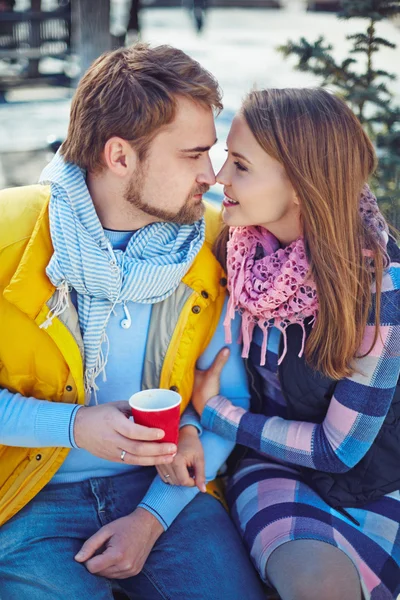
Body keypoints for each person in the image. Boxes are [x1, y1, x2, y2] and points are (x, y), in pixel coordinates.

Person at [0, 43, 265, 600]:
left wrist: (152, 518)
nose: (212, 175)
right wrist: (74, 426)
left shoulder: (215, 244)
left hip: (165, 493)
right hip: (26, 497)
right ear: (120, 156)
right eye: (193, 155)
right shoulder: (9, 239)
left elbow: (228, 398)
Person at [185, 88, 400, 600]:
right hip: (274, 467)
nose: (219, 179)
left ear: (301, 184)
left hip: (373, 480)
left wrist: (215, 413)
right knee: (319, 586)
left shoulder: (377, 287)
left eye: (240, 166)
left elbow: (338, 449)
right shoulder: (234, 250)